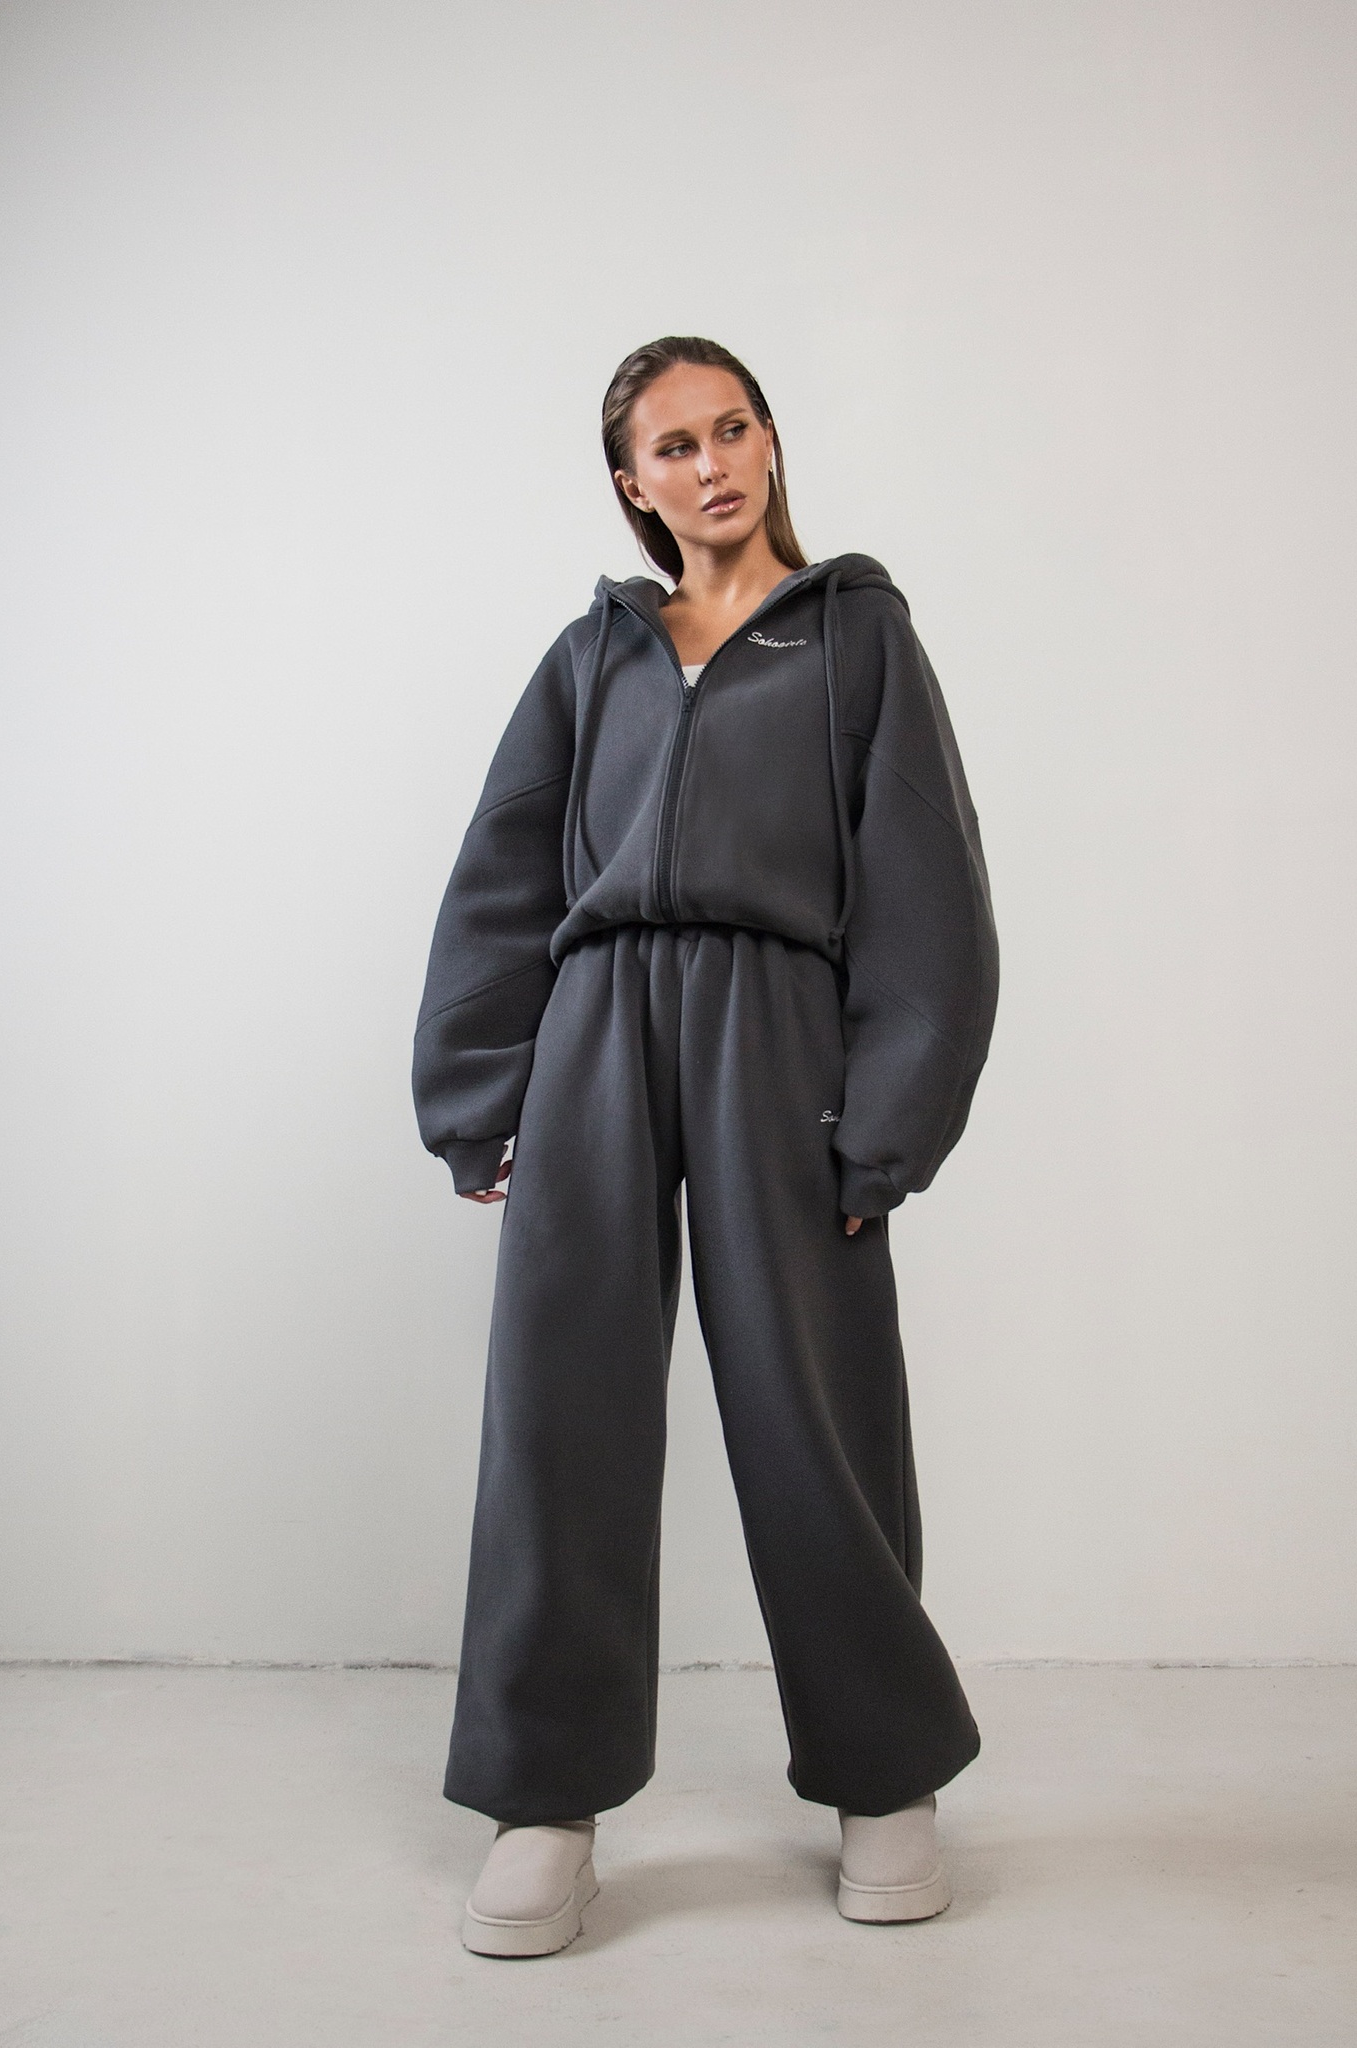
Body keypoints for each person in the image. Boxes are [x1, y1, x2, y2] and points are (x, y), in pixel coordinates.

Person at [412, 335, 998, 1957]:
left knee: (815, 1413)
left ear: (768, 442)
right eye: (672, 446)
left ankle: (883, 1775)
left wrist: (889, 1122)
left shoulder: (855, 634)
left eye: (731, 428)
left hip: (779, 1034)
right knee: (561, 1414)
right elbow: (503, 873)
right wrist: (477, 1090)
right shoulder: (589, 657)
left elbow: (927, 885)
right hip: (596, 1031)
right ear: (632, 483)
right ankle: (545, 1802)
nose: (711, 462)